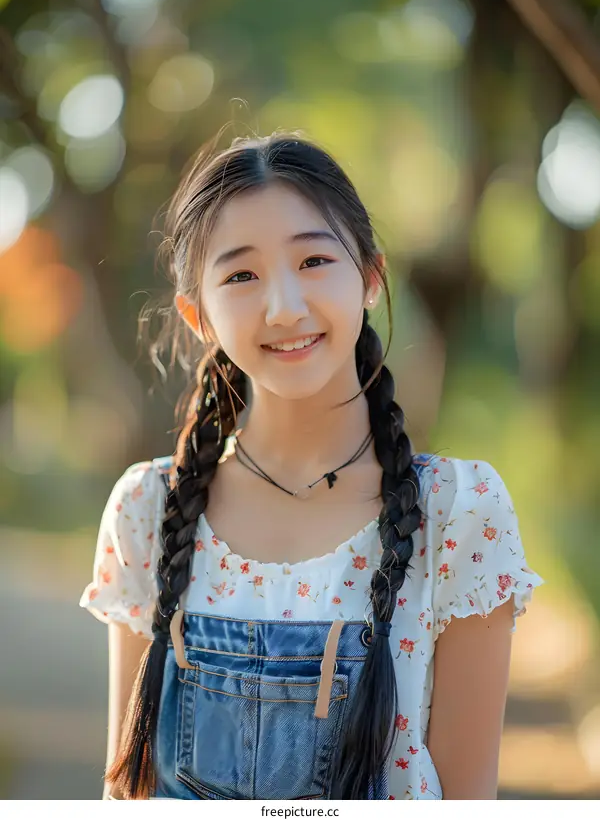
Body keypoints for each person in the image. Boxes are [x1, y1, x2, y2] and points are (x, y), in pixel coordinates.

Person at [79, 130, 544, 801]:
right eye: (241, 275)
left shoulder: (457, 511)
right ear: (196, 315)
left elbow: (469, 801)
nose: (284, 307)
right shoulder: (146, 509)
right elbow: (126, 795)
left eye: (315, 261)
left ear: (371, 276)